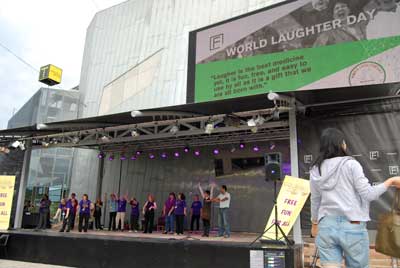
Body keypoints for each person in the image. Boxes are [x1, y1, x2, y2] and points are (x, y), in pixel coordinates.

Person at [310, 128, 400, 268]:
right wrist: (391, 181)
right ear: (341, 144)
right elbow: (369, 194)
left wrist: (314, 223)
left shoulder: (316, 169)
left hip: (326, 226)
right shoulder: (351, 164)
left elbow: (315, 200)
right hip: (352, 225)